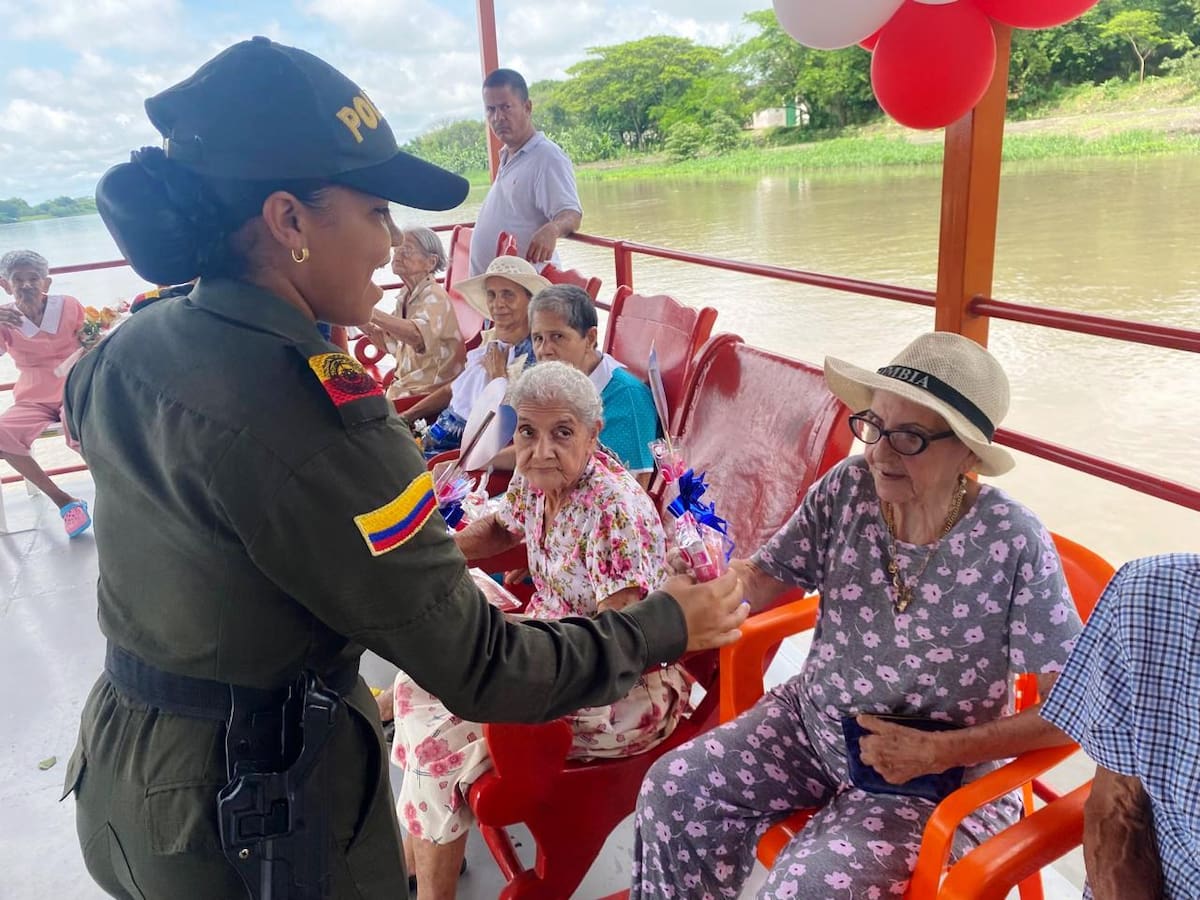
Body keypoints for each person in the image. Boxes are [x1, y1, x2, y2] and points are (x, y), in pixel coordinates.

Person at [60, 37, 748, 900]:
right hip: (255, 810)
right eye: (376, 211)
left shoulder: (123, 349)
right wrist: (665, 626)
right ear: (289, 221)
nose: (392, 245)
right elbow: (483, 668)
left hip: (127, 769)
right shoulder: (325, 422)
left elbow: (229, 535)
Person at [630, 332, 1085, 899]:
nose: (878, 453)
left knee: (806, 891)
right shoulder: (848, 489)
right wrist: (709, 579)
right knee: (674, 790)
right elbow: (766, 578)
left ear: (968, 454)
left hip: (927, 777)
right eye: (874, 425)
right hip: (812, 725)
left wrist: (941, 751)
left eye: (910, 438)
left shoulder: (1011, 541)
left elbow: (1072, 709)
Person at [391, 361, 693, 898]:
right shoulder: (538, 482)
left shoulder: (614, 509)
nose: (542, 448)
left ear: (594, 435)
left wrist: (513, 658)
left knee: (446, 733)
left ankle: (430, 885)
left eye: (562, 433)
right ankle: (423, 851)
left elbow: (622, 646)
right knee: (422, 670)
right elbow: (497, 528)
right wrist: (432, 559)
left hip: (619, 686)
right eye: (528, 431)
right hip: (553, 645)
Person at [1040, 554, 1200, 900]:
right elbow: (1117, 811)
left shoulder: (1012, 533)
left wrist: (941, 750)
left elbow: (1050, 704)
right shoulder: (1156, 596)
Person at [401, 255, 548, 457]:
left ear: (530, 300)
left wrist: (499, 378)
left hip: (464, 453)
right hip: (435, 433)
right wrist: (407, 416)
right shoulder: (492, 340)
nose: (498, 304)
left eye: (508, 295)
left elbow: (518, 427)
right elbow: (455, 388)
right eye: (492, 295)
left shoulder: (537, 355)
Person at [0, 249, 91, 536]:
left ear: (46, 283)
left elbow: (91, 339)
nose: (27, 285)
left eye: (34, 278)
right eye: (18, 279)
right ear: (5, 285)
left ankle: (122, 492)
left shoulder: (69, 305)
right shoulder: (4, 319)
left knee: (83, 426)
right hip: (33, 397)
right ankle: (64, 501)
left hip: (73, 387)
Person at [528, 283, 658, 484]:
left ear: (590, 338)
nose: (545, 350)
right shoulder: (557, 387)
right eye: (538, 338)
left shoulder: (626, 397)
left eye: (557, 336)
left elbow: (635, 486)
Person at [468, 68, 582, 276]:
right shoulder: (507, 155)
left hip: (524, 295)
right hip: (497, 295)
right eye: (490, 109)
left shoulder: (546, 157)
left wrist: (553, 229)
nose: (498, 117)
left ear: (527, 107)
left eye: (506, 107)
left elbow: (571, 214)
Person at [362, 225, 465, 400]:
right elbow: (390, 343)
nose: (398, 255)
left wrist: (370, 312)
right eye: (397, 249)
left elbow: (416, 336)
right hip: (405, 386)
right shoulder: (406, 295)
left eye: (407, 250)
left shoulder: (434, 296)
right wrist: (354, 315)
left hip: (429, 392)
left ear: (431, 262)